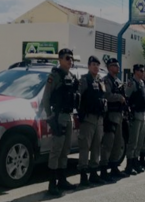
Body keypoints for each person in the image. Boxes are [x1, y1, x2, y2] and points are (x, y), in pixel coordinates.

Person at [40, 48, 79, 196]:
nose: (70, 61)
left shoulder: (71, 75)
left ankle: (62, 180)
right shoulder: (54, 76)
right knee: (56, 150)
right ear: (60, 59)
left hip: (68, 116)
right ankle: (52, 184)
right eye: (67, 58)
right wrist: (50, 117)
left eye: (71, 58)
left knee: (65, 150)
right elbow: (46, 98)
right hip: (58, 116)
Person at [77, 56, 108, 186]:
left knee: (96, 147)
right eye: (93, 64)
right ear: (89, 66)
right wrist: (79, 114)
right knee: (85, 147)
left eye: (97, 65)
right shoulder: (84, 80)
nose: (96, 67)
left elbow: (103, 96)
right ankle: (83, 176)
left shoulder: (100, 80)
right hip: (88, 118)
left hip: (99, 118)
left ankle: (94, 173)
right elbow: (78, 97)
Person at [100, 58, 127, 179]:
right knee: (108, 143)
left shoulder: (118, 81)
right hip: (110, 115)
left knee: (118, 143)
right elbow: (107, 95)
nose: (118, 67)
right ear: (110, 67)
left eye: (118, 65)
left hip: (119, 115)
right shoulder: (106, 80)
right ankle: (104, 169)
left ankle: (114, 166)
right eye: (115, 65)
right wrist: (119, 97)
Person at [125, 64, 145, 175]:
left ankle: (136, 162)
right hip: (135, 115)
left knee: (139, 141)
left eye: (143, 70)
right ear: (135, 71)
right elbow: (127, 98)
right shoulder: (132, 83)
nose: (142, 72)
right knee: (133, 141)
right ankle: (129, 165)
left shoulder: (142, 83)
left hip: (143, 114)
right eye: (140, 70)